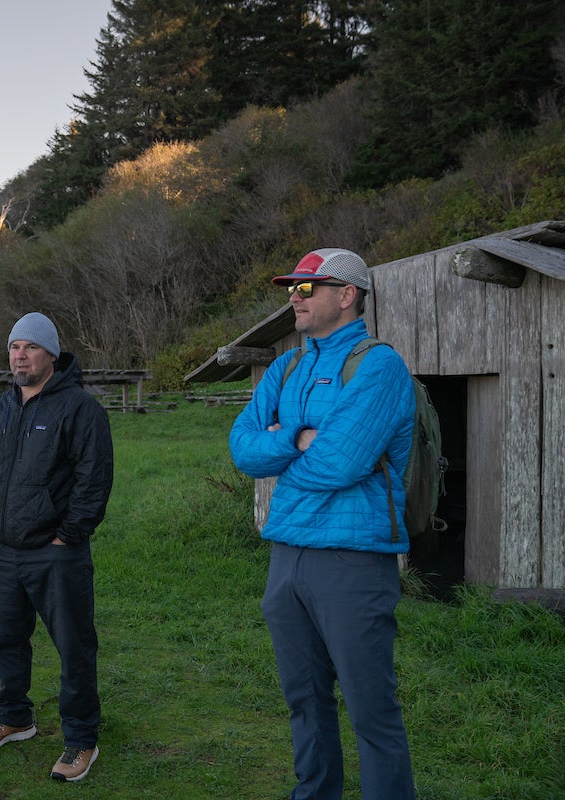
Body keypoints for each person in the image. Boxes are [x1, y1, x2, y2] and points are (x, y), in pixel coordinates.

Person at [229, 248, 417, 799]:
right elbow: (242, 449)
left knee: (370, 708)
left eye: (307, 288)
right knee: (304, 700)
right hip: (287, 555)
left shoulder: (379, 366)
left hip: (352, 560)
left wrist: (281, 447)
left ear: (347, 294)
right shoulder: (286, 366)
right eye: (292, 287)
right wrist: (298, 438)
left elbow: (340, 463)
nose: (295, 296)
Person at [0, 311, 114, 783]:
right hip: (1, 551)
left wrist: (68, 534)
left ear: (51, 354)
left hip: (56, 554)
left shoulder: (80, 409)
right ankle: (14, 718)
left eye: (30, 347)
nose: (20, 355)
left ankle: (81, 739)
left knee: (73, 646)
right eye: (14, 347)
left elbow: (94, 478)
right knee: (5, 641)